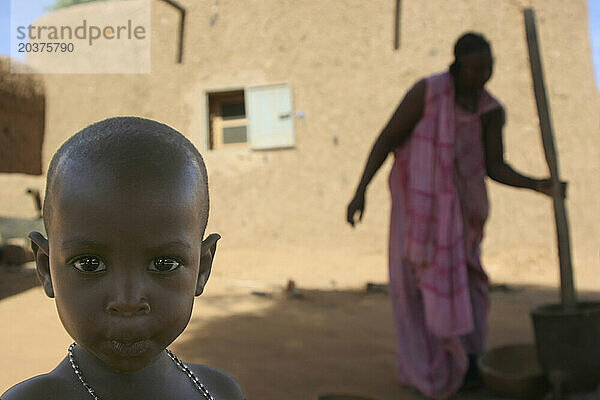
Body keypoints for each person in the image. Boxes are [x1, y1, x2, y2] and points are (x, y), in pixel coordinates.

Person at [346, 32, 564, 399]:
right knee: (416, 292)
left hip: (463, 219)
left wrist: (538, 185)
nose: (482, 75)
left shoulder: (491, 110)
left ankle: (470, 364)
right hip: (419, 215)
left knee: (470, 286)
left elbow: (494, 165)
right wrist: (360, 191)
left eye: (488, 67)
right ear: (458, 63)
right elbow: (387, 138)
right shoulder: (427, 93)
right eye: (475, 67)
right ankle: (429, 369)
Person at [2, 117, 245, 400]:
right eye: (90, 264)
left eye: (165, 264)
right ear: (46, 268)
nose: (128, 302)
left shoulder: (219, 392)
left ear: (202, 269)